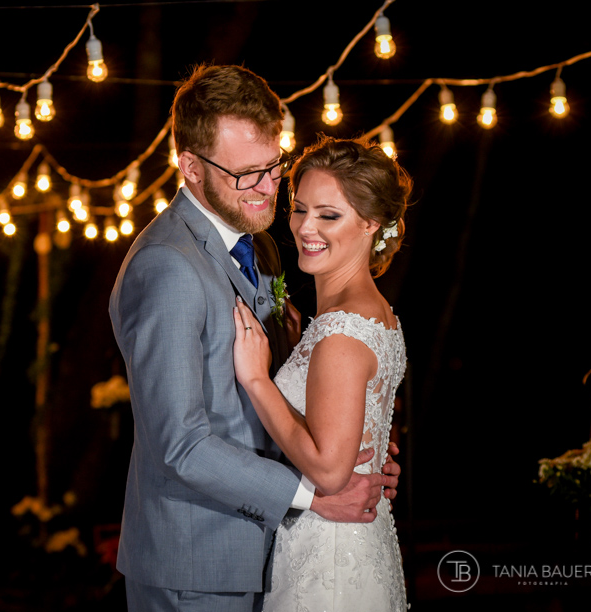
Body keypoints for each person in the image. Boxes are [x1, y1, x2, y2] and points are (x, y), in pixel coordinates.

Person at [108, 64, 400, 612]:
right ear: (191, 167)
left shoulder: (257, 244)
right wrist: (315, 496)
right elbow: (181, 444)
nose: (268, 188)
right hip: (198, 564)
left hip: (274, 553)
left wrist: (353, 442)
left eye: (273, 166)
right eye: (246, 174)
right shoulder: (166, 266)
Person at [232, 136, 411, 611]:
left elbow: (330, 473)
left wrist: (257, 380)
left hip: (329, 558)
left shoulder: (342, 330)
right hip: (355, 542)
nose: (305, 227)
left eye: (328, 215)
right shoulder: (376, 314)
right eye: (299, 209)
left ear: (371, 223)